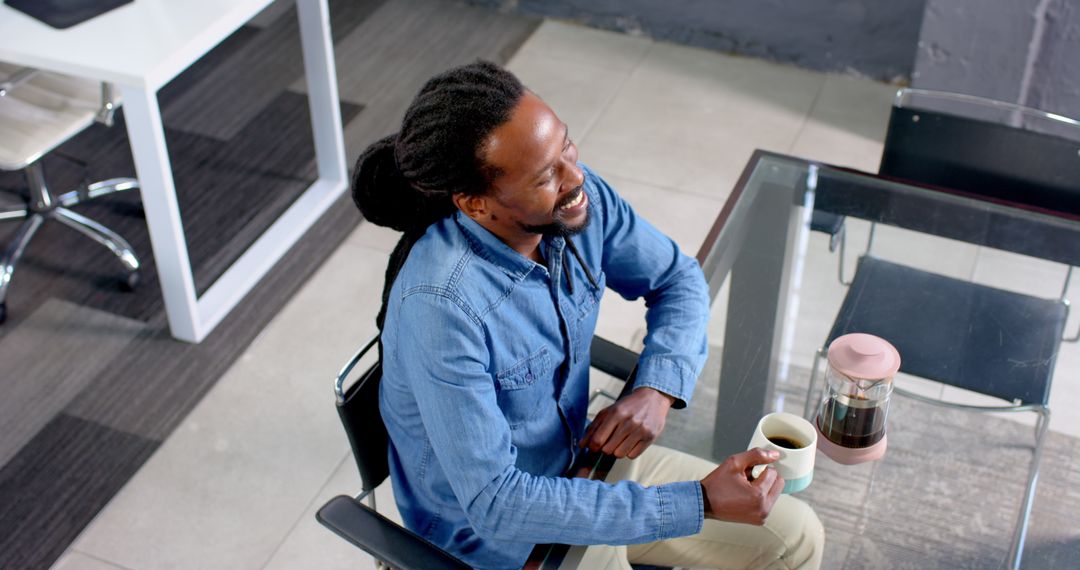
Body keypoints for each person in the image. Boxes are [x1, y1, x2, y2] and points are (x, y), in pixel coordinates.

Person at [351, 60, 824, 570]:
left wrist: (656, 388)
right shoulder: (441, 307)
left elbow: (677, 279)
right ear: (476, 205)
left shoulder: (575, 200)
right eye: (544, 175)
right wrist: (700, 501)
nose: (576, 177)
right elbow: (497, 504)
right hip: (503, 541)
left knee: (796, 538)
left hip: (585, 466)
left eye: (566, 146)